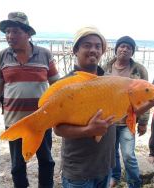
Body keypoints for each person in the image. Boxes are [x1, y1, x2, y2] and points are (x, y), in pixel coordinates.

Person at [0, 12, 59, 188]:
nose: (10, 36)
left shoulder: (45, 54)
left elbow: (56, 85)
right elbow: (1, 87)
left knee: (46, 160)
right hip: (14, 121)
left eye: (16, 31)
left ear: (28, 33)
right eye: (7, 32)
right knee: (18, 165)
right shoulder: (2, 56)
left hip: (42, 120)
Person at [54, 26, 117, 188]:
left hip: (105, 165)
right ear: (76, 50)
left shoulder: (110, 82)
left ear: (102, 51)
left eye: (97, 46)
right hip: (79, 171)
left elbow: (120, 114)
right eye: (87, 45)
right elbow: (58, 129)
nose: (93, 50)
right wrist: (89, 131)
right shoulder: (66, 86)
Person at [103, 36, 151, 188]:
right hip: (109, 120)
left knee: (129, 155)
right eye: (122, 46)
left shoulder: (139, 70)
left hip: (128, 120)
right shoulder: (105, 68)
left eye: (128, 48)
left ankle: (134, 183)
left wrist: (143, 123)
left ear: (132, 52)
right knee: (112, 153)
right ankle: (115, 177)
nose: (124, 49)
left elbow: (146, 97)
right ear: (116, 49)